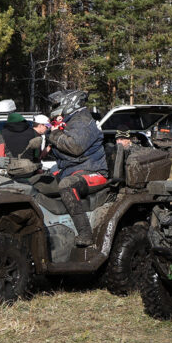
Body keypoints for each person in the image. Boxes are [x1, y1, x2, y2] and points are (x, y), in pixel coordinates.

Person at [46, 90, 108, 246]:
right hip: (73, 170)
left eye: (57, 105)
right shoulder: (71, 121)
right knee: (41, 182)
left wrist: (53, 136)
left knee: (67, 186)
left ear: (70, 103)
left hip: (93, 172)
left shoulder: (83, 121)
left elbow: (75, 147)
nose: (55, 108)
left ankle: (85, 233)